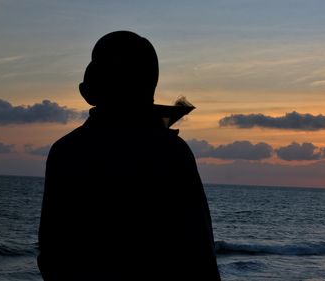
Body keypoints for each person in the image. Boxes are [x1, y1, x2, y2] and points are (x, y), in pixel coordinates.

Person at [37, 31, 221, 280]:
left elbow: (52, 251)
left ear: (88, 92)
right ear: (150, 89)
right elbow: (199, 253)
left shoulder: (67, 151)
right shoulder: (171, 151)